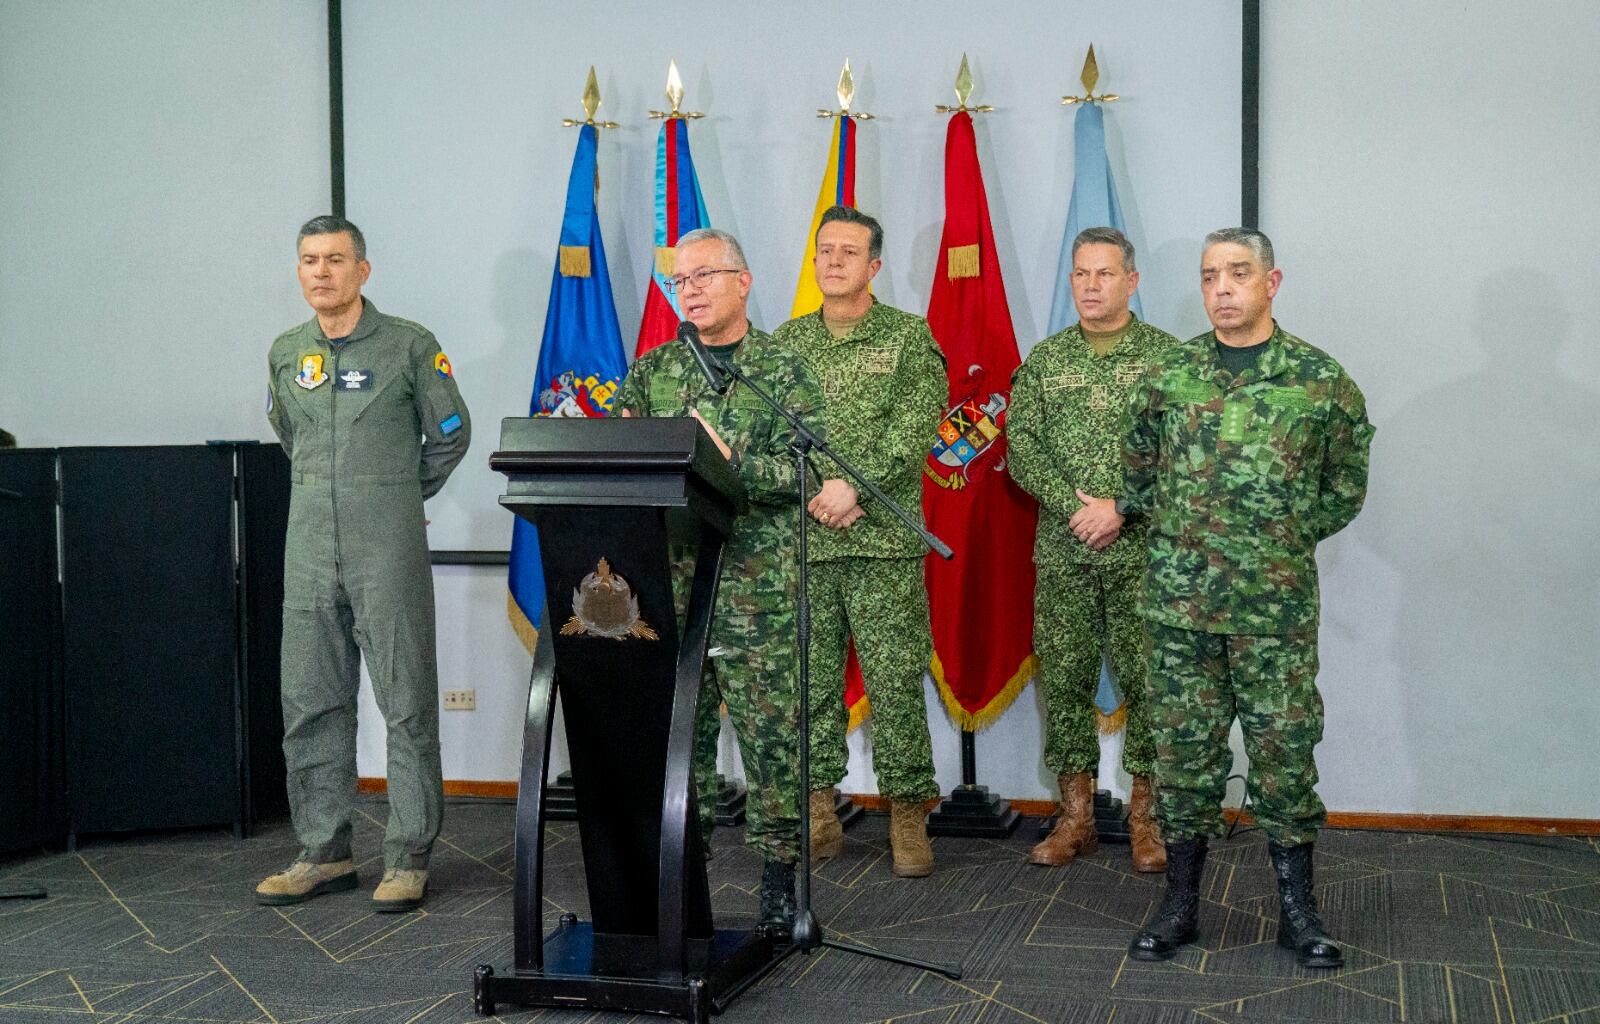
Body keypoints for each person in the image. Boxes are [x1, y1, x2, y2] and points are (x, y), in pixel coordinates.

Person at [1121, 228, 1373, 967]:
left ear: (1272, 281)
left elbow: (1344, 488)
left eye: (1238, 273)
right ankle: (1179, 907)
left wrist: (1277, 541)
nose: (1222, 288)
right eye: (1209, 277)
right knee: (1185, 761)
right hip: (1179, 612)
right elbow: (1138, 475)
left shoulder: (1319, 380)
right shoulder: (1170, 375)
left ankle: (1301, 914)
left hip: (1273, 612)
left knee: (1284, 759)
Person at [612, 227, 822, 937]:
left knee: (771, 740)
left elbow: (810, 471)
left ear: (744, 281)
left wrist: (731, 469)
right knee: (680, 738)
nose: (692, 290)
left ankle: (778, 882)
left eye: (706, 276)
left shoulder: (784, 371)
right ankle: (682, 875)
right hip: (671, 584)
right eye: (681, 280)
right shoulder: (651, 373)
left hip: (759, 586)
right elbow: (626, 464)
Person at [257, 216, 470, 913]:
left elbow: (448, 434)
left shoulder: (409, 345)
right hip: (308, 548)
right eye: (310, 261)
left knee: (406, 702)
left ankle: (408, 856)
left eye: (336, 260)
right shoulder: (288, 352)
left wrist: (394, 497)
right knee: (309, 702)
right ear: (300, 271)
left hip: (387, 549)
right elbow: (290, 435)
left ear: (363, 270)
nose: (322, 272)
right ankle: (323, 850)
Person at [774, 206, 947, 878]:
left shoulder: (908, 337)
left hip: (883, 545)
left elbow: (912, 429)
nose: (834, 261)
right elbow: (775, 430)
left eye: (849, 251)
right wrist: (823, 492)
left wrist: (852, 488)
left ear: (875, 266)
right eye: (825, 251)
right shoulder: (786, 344)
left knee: (896, 683)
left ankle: (907, 814)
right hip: (808, 540)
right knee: (810, 684)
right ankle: (818, 809)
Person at [1007, 227, 1179, 873]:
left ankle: (1146, 819)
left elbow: (1183, 451)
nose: (1090, 286)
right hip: (1064, 551)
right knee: (1066, 682)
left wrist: (1120, 507)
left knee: (1151, 686)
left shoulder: (1169, 359)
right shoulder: (1046, 360)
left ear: (1131, 281)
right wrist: (1076, 506)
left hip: (1143, 555)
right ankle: (1076, 817)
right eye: (1081, 274)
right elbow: (1021, 448)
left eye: (1104, 274)